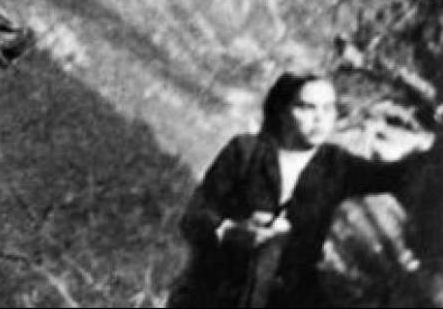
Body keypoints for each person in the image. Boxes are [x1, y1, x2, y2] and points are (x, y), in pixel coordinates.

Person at [169, 72, 434, 308]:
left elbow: (396, 176)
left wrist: (436, 149)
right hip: (217, 291)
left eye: (328, 109)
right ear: (283, 112)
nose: (320, 119)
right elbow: (194, 217)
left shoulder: (334, 164)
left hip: (287, 297)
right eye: (307, 108)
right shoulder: (245, 153)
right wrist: (231, 230)